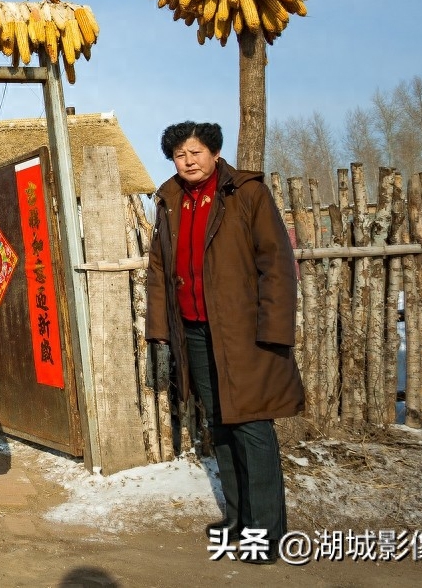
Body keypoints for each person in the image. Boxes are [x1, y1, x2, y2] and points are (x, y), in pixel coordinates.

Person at [145, 121, 304, 565]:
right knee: (218, 424)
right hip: (195, 331)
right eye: (180, 155)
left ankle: (267, 534)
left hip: (244, 331)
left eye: (196, 151)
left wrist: (274, 331)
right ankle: (238, 520)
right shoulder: (172, 201)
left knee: (251, 426)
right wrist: (160, 330)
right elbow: (159, 269)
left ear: (214, 153)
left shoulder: (246, 193)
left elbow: (277, 262)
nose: (189, 160)